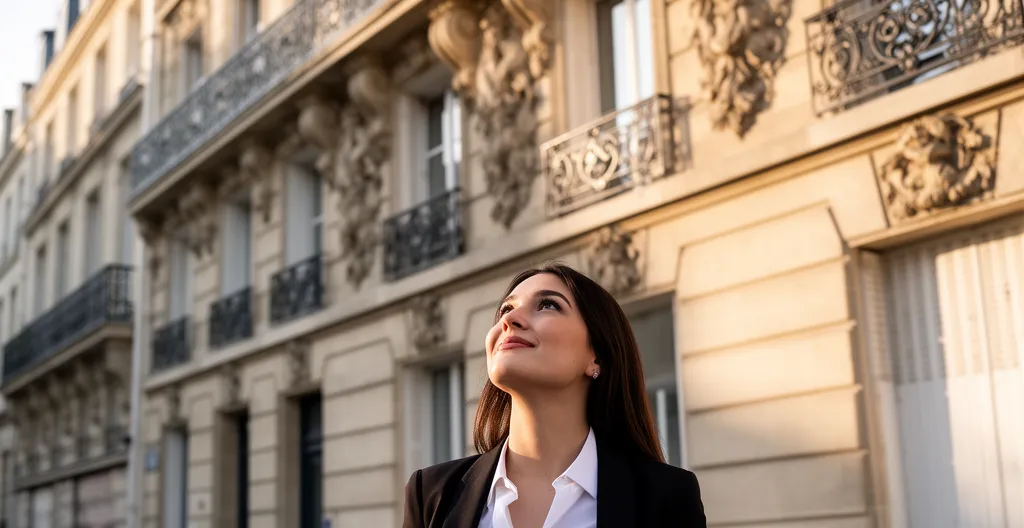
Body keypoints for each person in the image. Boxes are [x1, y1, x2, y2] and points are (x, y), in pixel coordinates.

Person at [403, 263, 706, 527]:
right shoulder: (431, 494)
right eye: (506, 309)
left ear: (596, 356)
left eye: (548, 305)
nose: (510, 320)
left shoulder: (666, 496)